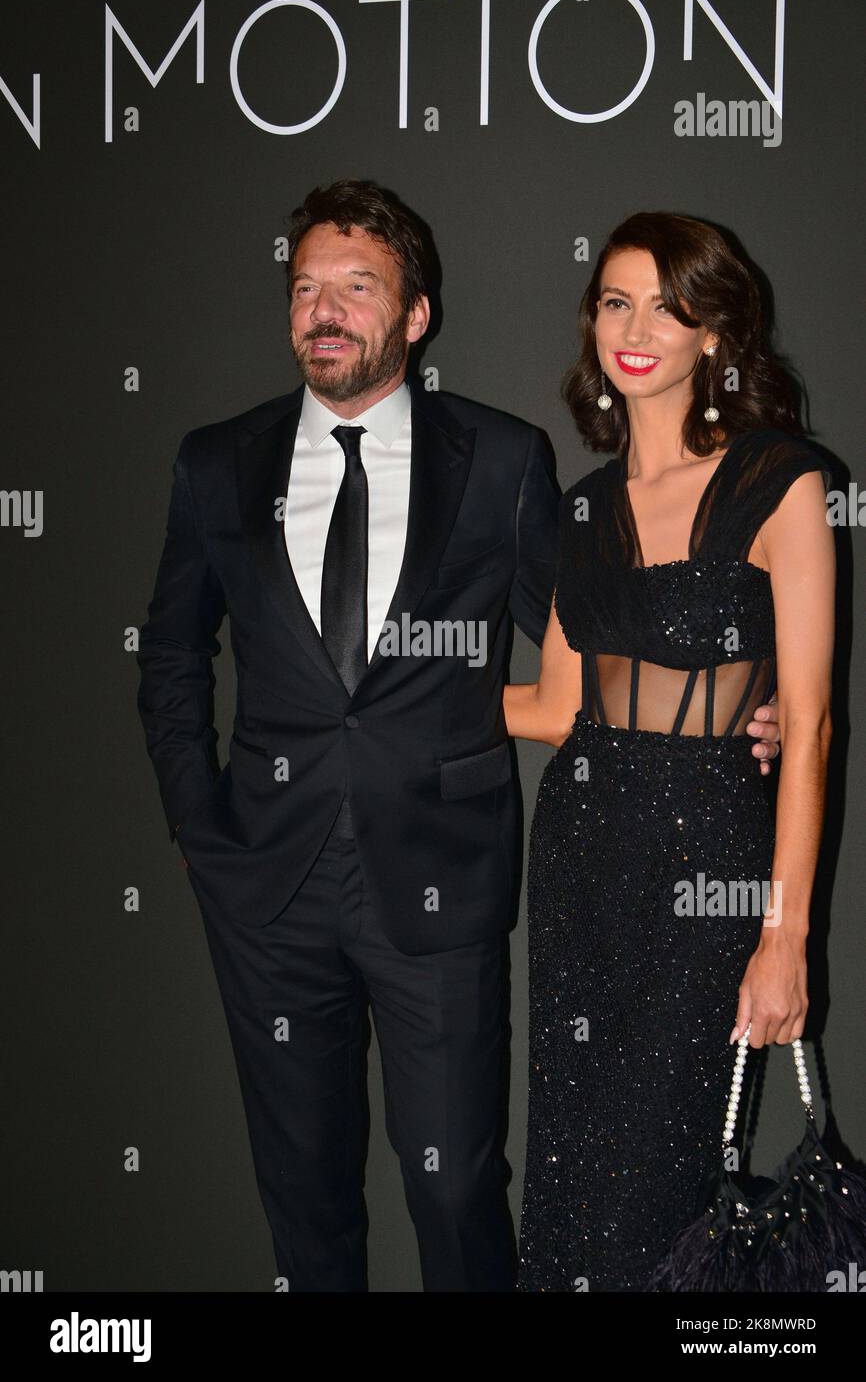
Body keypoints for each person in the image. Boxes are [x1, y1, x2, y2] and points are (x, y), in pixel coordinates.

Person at [137, 182, 782, 1292]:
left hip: (437, 877)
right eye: (304, 288)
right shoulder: (215, 461)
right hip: (266, 887)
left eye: (355, 287)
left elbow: (588, 635)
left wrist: (730, 699)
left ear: (414, 315)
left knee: (452, 1187)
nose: (322, 310)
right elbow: (170, 656)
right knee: (303, 1189)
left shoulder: (497, 457)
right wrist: (198, 826)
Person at [505, 212, 834, 1292]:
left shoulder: (778, 481)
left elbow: (812, 723)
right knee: (567, 1181)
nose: (635, 326)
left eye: (665, 303)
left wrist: (782, 939)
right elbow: (555, 709)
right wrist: (396, 693)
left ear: (713, 332)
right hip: (581, 865)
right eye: (614, 300)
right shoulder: (582, 509)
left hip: (706, 867)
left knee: (655, 1186)